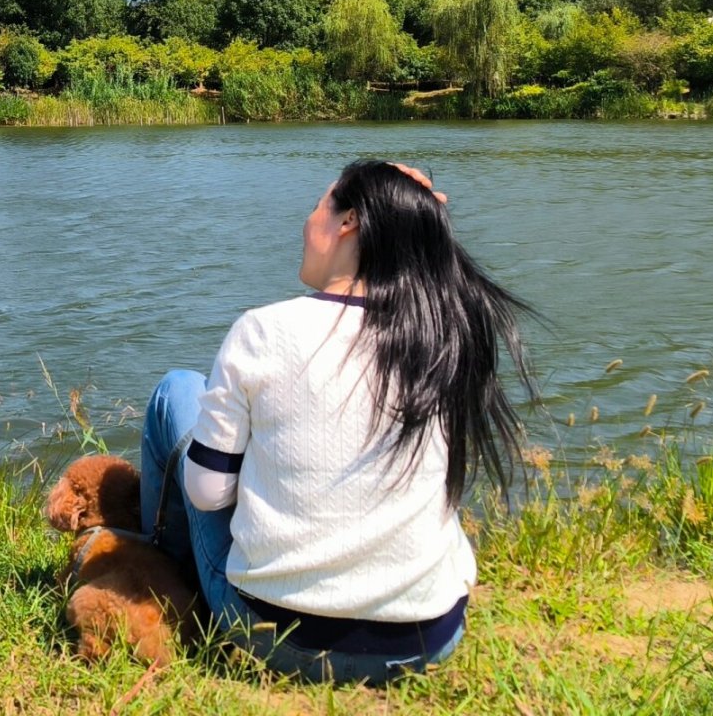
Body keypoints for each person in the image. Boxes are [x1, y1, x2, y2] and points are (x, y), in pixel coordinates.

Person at [139, 159, 532, 685]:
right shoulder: (448, 336)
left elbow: (208, 493)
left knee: (178, 391)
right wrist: (416, 217)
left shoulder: (263, 330)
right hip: (425, 640)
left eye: (318, 206)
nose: (307, 222)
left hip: (279, 636)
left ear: (347, 222)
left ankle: (159, 577)